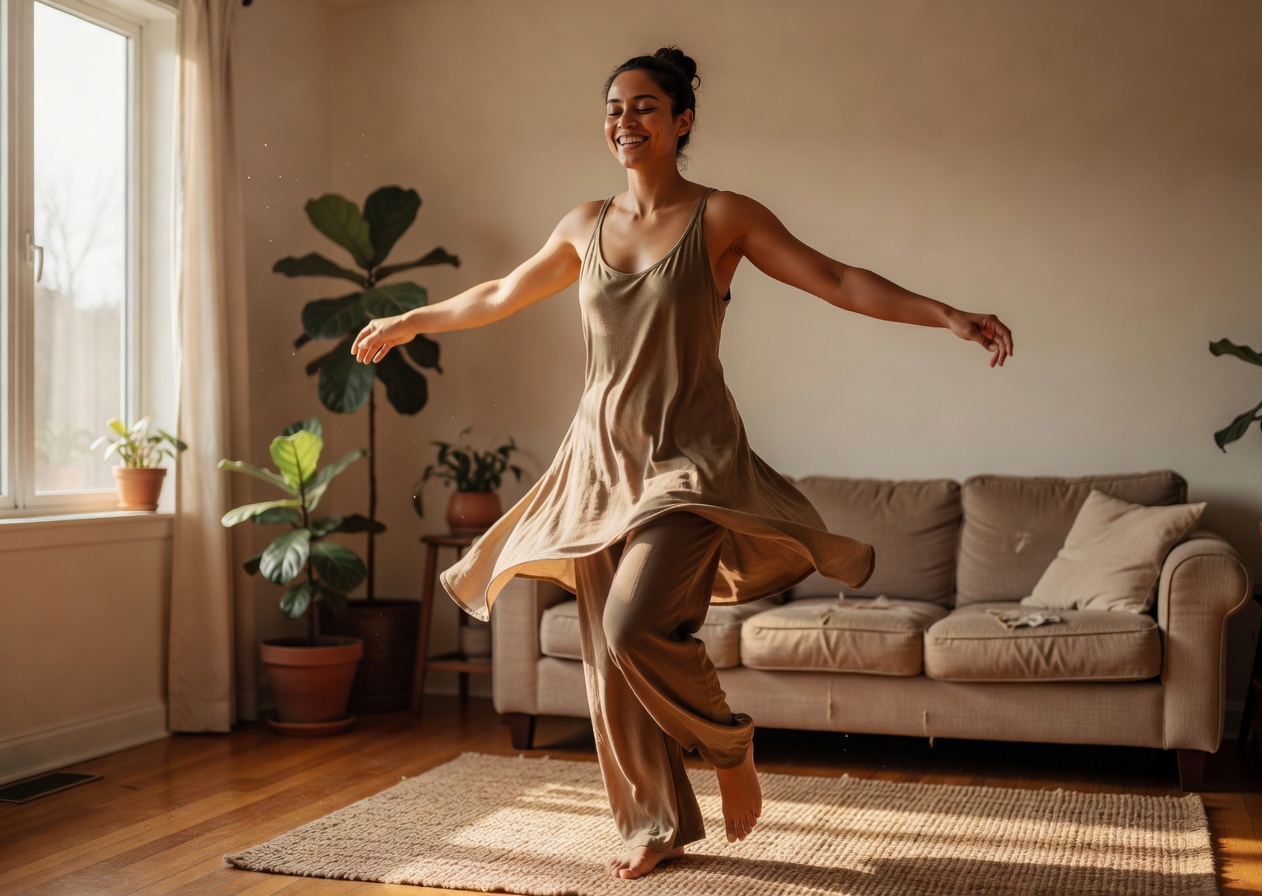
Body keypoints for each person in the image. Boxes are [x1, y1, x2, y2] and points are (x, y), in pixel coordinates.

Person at [352, 46, 1012, 881]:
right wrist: (415, 319)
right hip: (597, 464)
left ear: (682, 121)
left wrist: (944, 314)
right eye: (614, 108)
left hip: (690, 461)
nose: (624, 121)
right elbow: (499, 293)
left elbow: (838, 278)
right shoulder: (583, 223)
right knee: (605, 655)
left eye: (644, 107)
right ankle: (655, 823)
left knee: (635, 627)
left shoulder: (723, 217)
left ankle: (730, 748)